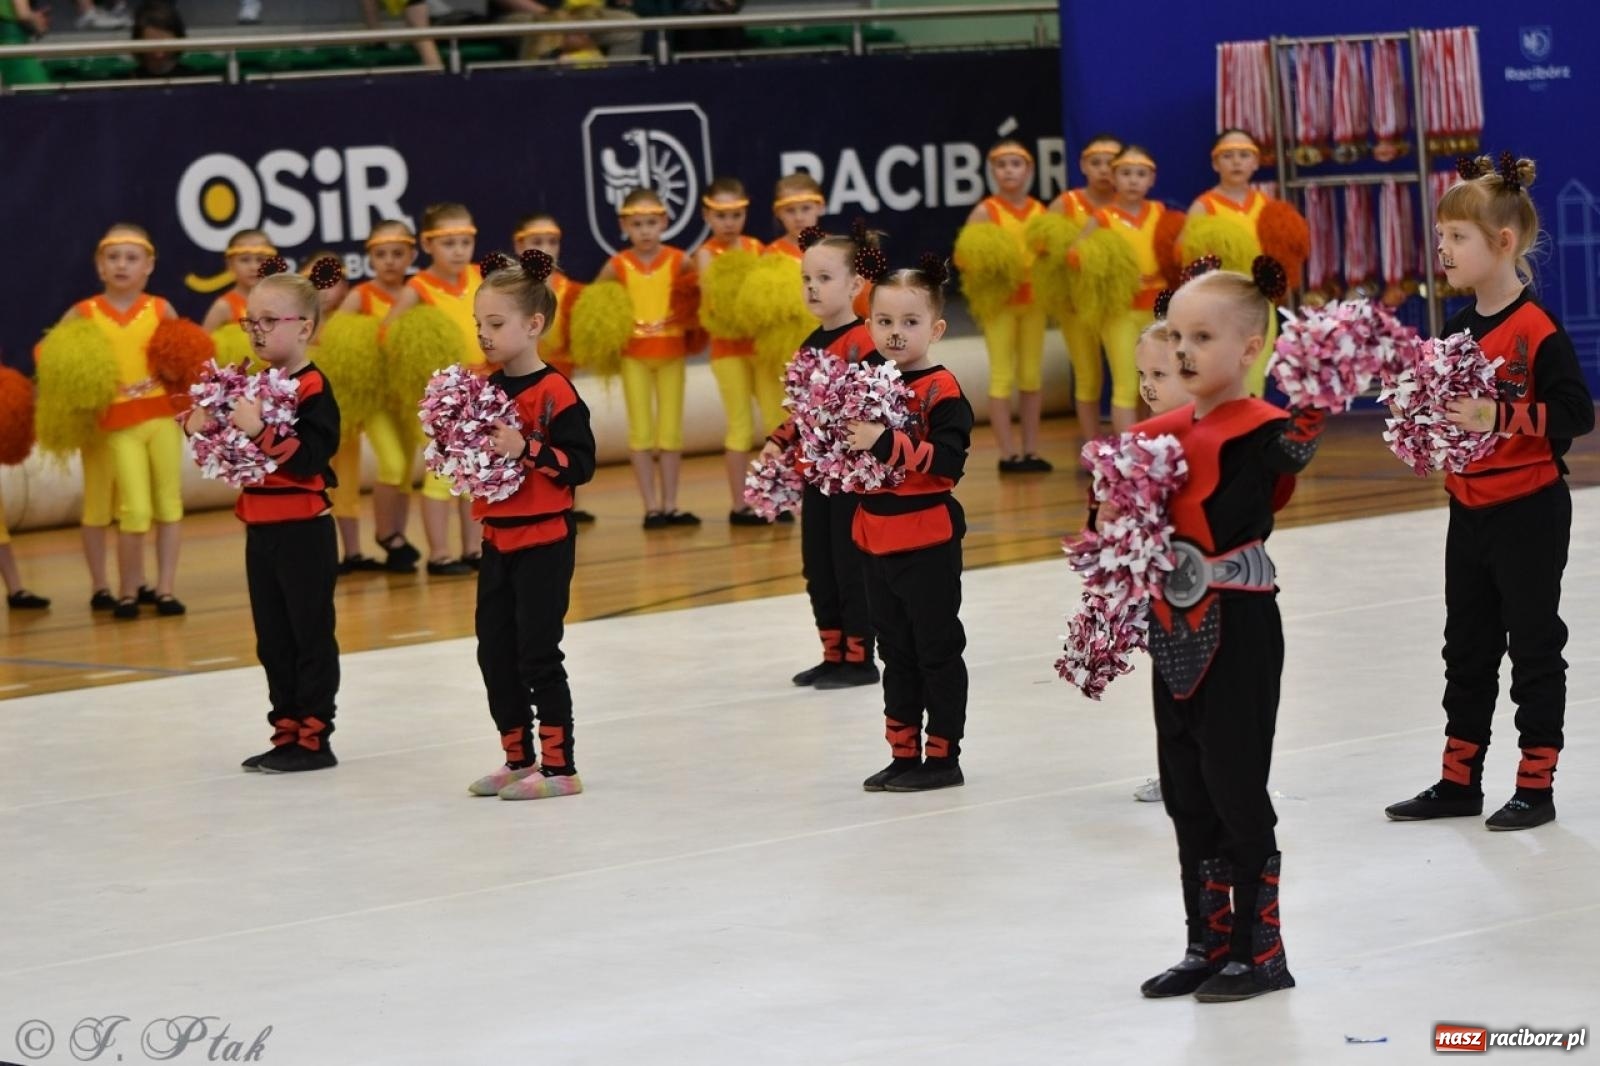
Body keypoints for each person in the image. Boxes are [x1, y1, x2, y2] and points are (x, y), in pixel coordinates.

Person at [1131, 258, 1325, 1003]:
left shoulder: (1266, 430)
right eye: (1175, 335)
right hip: (1171, 625)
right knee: (1185, 788)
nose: (1182, 351)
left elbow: (1286, 457)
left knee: (1235, 783)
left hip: (1237, 625)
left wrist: (1312, 401)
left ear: (1249, 349)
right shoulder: (1155, 435)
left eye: (1202, 336)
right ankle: (1206, 942)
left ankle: (1262, 949)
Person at [1384, 154, 1594, 832]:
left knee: (1533, 644)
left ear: (1503, 243)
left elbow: (1576, 416)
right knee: (1466, 644)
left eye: (1457, 237)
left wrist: (1496, 417)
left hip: (1529, 509)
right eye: (1441, 235)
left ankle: (1536, 783)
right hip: (1467, 510)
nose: (1442, 249)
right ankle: (1458, 780)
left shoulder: (1537, 329)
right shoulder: (1454, 328)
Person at [185, 259, 344, 773]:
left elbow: (309, 459)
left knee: (309, 635)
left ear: (305, 326)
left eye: (268, 321)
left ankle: (316, 738)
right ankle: (286, 731)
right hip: (260, 528)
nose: (255, 331)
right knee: (272, 638)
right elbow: (231, 456)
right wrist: (201, 428)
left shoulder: (314, 388)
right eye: (250, 321)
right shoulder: (247, 383)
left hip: (304, 531)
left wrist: (256, 429)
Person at [464, 249, 597, 800]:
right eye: (479, 325)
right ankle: (517, 758)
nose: (485, 335)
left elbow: (581, 466)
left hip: (544, 538)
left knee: (537, 651)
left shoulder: (557, 392)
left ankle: (560, 767)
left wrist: (528, 448)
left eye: (496, 324)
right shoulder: (484, 389)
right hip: (497, 538)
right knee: (493, 650)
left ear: (534, 324)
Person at [850, 256, 974, 792]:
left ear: (936, 328)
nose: (896, 333)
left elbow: (949, 463)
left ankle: (944, 756)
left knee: (936, 650)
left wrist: (884, 442)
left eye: (909, 322)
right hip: (874, 536)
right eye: (884, 322)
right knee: (893, 650)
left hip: (926, 537)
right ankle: (903, 752)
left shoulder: (943, 391)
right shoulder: (861, 381)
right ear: (869, 323)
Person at [762, 227, 881, 689]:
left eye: (824, 278)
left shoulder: (865, 342)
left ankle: (860, 658)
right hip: (817, 474)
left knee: (850, 564)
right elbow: (803, 407)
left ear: (855, 285)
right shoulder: (810, 343)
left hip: (851, 476)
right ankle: (832, 653)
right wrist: (780, 439)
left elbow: (873, 407)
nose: (812, 287)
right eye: (806, 278)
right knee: (819, 563)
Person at [56, 223, 187, 620]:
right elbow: (52, 354)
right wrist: (98, 385)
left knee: (169, 503)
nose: (122, 265)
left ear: (149, 266)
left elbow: (183, 362)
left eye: (132, 258)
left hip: (161, 419)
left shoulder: (161, 309)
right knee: (130, 509)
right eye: (113, 258)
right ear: (99, 266)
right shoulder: (84, 313)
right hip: (114, 423)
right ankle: (122, 590)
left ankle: (164, 589)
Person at [593, 187, 699, 528]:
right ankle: (650, 507)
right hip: (634, 357)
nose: (645, 231)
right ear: (625, 225)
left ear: (665, 221)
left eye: (651, 223)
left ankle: (671, 503)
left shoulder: (680, 260)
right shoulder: (617, 265)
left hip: (672, 354)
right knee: (640, 432)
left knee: (670, 432)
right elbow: (596, 307)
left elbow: (696, 301)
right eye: (637, 224)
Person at [959, 140, 1049, 473]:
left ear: (1029, 170)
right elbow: (964, 258)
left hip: (1034, 303)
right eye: (1002, 164)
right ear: (992, 171)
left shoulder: (1040, 212)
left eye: (1016, 163)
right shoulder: (986, 211)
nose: (1009, 170)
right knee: (1001, 376)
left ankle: (1031, 449)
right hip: (1000, 305)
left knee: (1031, 375)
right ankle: (1007, 453)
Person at [694, 177, 770, 524]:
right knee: (739, 425)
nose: (729, 222)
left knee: (776, 423)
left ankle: (776, 497)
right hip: (728, 351)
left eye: (736, 214)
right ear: (707, 215)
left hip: (761, 348)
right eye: (721, 215)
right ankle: (740, 505)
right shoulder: (706, 255)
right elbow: (716, 302)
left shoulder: (757, 248)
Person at [1050, 134, 1122, 440]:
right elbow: (1047, 260)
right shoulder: (1065, 205)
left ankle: (1136, 442)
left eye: (1111, 164)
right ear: (1083, 166)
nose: (1104, 170)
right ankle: (1094, 448)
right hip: (1077, 305)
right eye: (1096, 163)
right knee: (1089, 376)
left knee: (1128, 374)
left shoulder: (1129, 204)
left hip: (1120, 305)